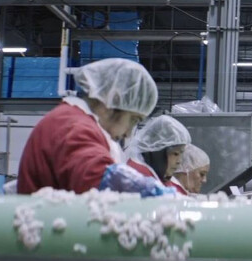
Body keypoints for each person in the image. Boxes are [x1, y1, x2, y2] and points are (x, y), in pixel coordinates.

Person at [18, 58, 171, 196]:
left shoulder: (72, 119)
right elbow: (98, 176)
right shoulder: (72, 124)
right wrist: (155, 194)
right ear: (113, 101)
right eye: (133, 120)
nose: (128, 133)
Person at [126, 115, 192, 195]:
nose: (179, 161)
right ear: (158, 152)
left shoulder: (158, 175)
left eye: (181, 154)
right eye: (175, 154)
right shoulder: (140, 176)